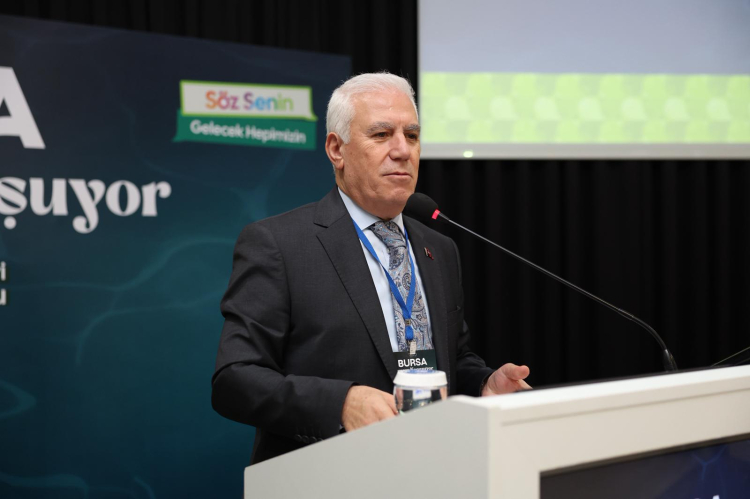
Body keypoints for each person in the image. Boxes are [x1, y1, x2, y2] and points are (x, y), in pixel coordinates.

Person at [212, 72, 530, 464]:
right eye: (381, 135)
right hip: (327, 473)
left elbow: (449, 357)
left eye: (411, 135)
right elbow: (235, 379)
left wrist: (483, 382)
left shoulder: (439, 248)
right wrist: (341, 403)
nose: (402, 150)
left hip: (432, 467)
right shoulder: (279, 244)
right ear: (336, 149)